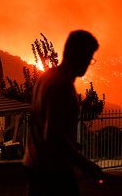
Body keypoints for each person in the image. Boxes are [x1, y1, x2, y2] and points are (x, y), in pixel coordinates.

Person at [22, 30, 103, 196]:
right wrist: (85, 164)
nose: (89, 63)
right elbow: (53, 136)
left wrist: (72, 144)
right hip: (53, 172)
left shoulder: (46, 77)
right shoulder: (62, 86)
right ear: (77, 55)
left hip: (34, 164)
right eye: (89, 57)